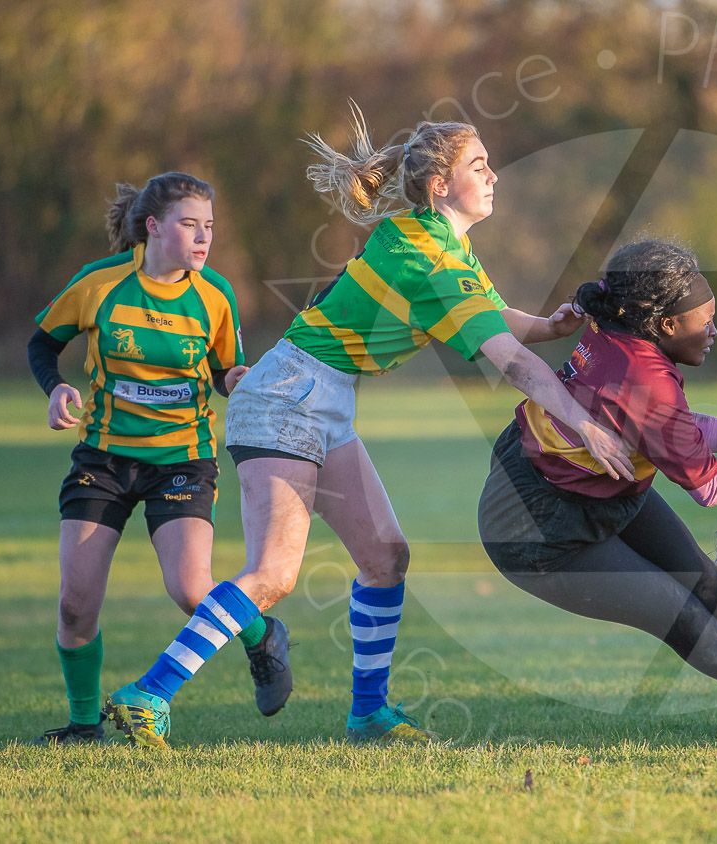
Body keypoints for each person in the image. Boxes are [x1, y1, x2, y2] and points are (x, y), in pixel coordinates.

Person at [104, 113, 633, 749]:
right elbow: (512, 363)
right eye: (479, 166)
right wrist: (584, 426)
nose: (494, 175)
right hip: (287, 396)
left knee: (385, 557)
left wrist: (550, 324)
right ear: (440, 184)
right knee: (273, 574)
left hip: (311, 393)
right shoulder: (434, 262)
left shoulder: (427, 238)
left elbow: (492, 314)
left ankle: (369, 714)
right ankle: (149, 693)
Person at [477, 239, 717, 722]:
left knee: (706, 581)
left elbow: (669, 429)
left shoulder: (621, 335)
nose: (715, 330)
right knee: (675, 610)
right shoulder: (646, 377)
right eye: (706, 321)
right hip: (532, 529)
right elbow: (710, 487)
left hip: (590, 487)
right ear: (666, 325)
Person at [27, 172, 291, 745]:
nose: (203, 238)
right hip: (103, 457)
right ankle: (83, 725)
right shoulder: (101, 284)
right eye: (190, 225)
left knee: (193, 593)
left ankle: (263, 637)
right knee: (75, 606)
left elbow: (225, 370)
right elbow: (43, 342)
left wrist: (235, 378)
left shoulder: (214, 294)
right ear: (153, 227)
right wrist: (55, 386)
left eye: (210, 228)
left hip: (182, 459)